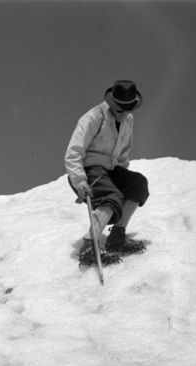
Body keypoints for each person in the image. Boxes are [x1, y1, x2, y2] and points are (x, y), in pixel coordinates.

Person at [65, 80, 149, 265]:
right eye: (120, 110)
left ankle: (117, 238)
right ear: (112, 103)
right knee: (111, 196)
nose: (124, 114)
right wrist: (80, 181)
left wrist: (122, 177)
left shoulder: (128, 120)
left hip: (111, 170)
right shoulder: (93, 118)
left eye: (128, 110)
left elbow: (123, 152)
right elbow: (73, 153)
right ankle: (89, 245)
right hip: (88, 170)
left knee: (138, 184)